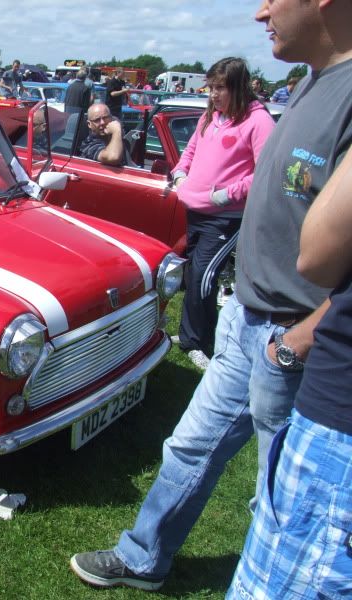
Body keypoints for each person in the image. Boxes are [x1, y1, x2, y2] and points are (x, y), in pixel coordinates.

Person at [69, 0, 352, 591]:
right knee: (189, 448)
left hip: (302, 347)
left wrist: (299, 341)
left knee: (279, 499)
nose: (260, 12)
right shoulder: (311, 81)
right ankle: (144, 556)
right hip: (247, 322)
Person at [227, 141, 352, 600]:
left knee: (277, 574)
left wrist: (295, 342)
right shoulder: (306, 93)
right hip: (257, 317)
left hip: (332, 404)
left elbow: (315, 257)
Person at [171, 58, 275, 370]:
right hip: (195, 210)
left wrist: (226, 194)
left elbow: (264, 171)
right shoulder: (209, 117)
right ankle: (190, 334)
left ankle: (201, 342)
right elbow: (189, 152)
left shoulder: (259, 122)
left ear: (238, 87)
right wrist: (179, 173)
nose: (213, 94)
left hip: (225, 217)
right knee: (192, 274)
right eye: (211, 87)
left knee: (204, 278)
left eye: (220, 88)